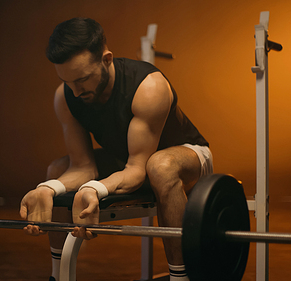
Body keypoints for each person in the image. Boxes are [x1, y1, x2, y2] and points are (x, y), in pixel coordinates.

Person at [19, 17, 213, 281]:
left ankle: (182, 277)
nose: (75, 91)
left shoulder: (149, 86)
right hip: (128, 161)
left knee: (160, 166)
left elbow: (138, 169)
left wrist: (92, 189)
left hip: (186, 157)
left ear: (107, 59)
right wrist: (48, 188)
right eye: (67, 81)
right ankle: (58, 276)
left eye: (83, 79)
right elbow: (82, 167)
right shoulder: (65, 96)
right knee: (56, 171)